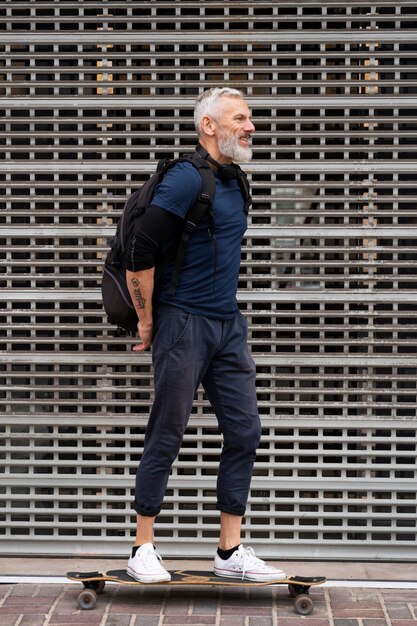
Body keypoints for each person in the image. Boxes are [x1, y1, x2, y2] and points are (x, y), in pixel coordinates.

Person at [124, 87, 286, 583]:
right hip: (183, 322)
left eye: (250, 117)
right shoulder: (183, 178)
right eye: (240, 118)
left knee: (245, 431)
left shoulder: (235, 181)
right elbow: (140, 253)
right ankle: (142, 547)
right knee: (167, 431)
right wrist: (148, 320)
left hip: (226, 326)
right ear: (209, 126)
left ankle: (229, 551)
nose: (251, 126)